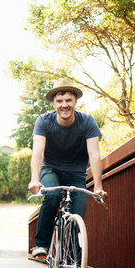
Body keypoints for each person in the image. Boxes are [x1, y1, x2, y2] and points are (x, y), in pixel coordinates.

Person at [28, 78, 107, 258]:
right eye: (59, 101)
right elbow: (38, 153)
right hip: (51, 170)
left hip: (76, 174)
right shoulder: (44, 121)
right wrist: (35, 178)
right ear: (53, 103)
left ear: (75, 102)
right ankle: (41, 244)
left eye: (68, 100)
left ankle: (73, 258)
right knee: (53, 196)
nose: (64, 105)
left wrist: (98, 186)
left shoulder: (87, 121)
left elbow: (94, 155)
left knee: (78, 214)